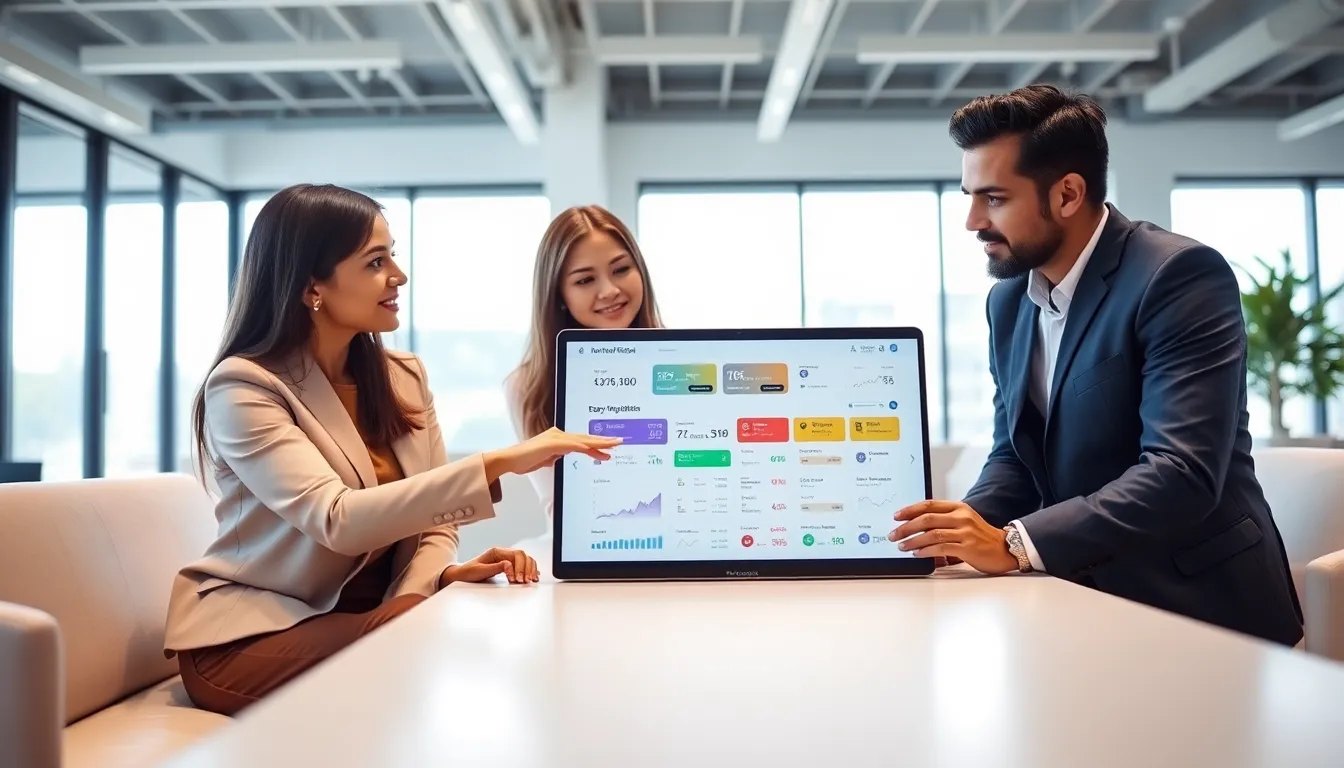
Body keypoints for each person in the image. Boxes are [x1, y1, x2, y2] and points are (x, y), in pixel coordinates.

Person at [163, 184, 621, 716]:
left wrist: (431, 584)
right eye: (375, 262)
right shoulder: (244, 388)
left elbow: (434, 527)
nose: (398, 277)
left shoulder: (403, 377)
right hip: (253, 637)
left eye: (393, 257)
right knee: (450, 644)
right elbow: (338, 519)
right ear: (314, 286)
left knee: (458, 624)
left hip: (372, 617)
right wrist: (500, 463)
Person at [888, 85, 1303, 646]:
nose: (971, 221)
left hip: (1200, 611)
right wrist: (956, 531)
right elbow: (1015, 453)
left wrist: (1010, 544)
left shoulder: (1178, 276)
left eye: (994, 198)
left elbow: (1181, 474)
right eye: (970, 196)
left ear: (1067, 194)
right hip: (1074, 600)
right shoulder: (1009, 300)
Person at [505, 205, 663, 527]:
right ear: (559, 294)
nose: (609, 291)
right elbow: (559, 508)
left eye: (621, 270)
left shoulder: (680, 363)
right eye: (585, 280)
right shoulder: (529, 386)